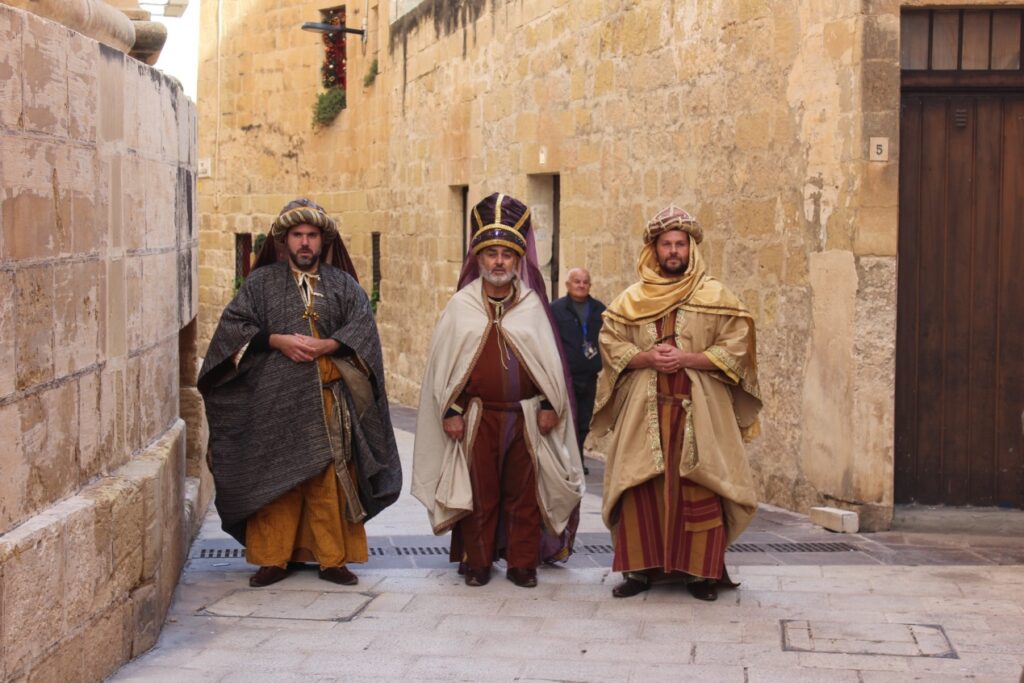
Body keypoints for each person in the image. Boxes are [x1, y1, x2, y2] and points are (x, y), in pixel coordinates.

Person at [198, 199, 402, 588]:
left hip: (329, 405)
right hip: (273, 404)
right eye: (297, 235)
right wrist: (276, 340)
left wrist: (329, 345)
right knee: (277, 481)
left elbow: (363, 328)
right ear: (283, 240)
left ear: (323, 241)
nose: (305, 243)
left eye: (311, 235)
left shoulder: (343, 285)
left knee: (328, 482)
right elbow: (233, 329)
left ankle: (332, 559)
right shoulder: (261, 284)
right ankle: (272, 559)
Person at [588, 206, 762, 601]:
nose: (673, 251)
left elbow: (738, 346)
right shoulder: (631, 300)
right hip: (644, 413)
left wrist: (690, 359)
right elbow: (610, 342)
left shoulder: (715, 295)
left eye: (680, 244)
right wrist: (646, 357)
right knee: (639, 487)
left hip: (700, 413)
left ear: (691, 248)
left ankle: (701, 574)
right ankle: (638, 572)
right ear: (654, 250)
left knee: (701, 487)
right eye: (666, 244)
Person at [412, 192, 585, 589]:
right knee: (479, 493)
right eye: (491, 254)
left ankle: (523, 564)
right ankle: (478, 562)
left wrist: (549, 405)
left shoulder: (532, 307)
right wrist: (451, 411)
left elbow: (549, 366)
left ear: (518, 259)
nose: (499, 262)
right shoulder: (461, 306)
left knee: (525, 493)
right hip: (478, 416)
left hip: (526, 416)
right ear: (479, 258)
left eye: (507, 254)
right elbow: (445, 369)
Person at [551, 268, 606, 475]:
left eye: (585, 282)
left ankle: (577, 460)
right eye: (577, 281)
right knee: (566, 421)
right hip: (566, 378)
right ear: (568, 285)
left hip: (589, 377)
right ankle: (564, 462)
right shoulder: (556, 310)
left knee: (584, 421)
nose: (581, 285)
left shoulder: (600, 310)